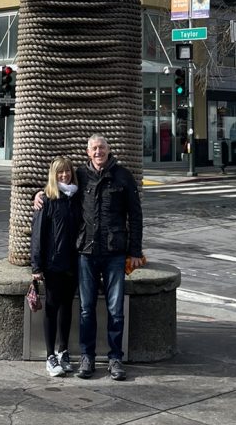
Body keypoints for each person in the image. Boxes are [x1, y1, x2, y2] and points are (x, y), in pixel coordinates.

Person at [35, 134, 145, 382]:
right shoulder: (81, 177)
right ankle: (87, 357)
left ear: (108, 150)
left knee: (115, 310)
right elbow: (58, 189)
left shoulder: (123, 176)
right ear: (88, 152)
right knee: (86, 310)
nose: (98, 152)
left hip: (114, 253)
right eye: (94, 148)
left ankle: (115, 358)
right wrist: (38, 195)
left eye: (102, 148)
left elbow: (135, 215)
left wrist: (135, 251)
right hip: (85, 252)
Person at [31, 156, 80, 377]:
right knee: (51, 307)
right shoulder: (47, 199)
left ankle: (64, 351)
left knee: (67, 307)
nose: (64, 175)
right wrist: (36, 266)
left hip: (73, 262)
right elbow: (38, 235)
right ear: (53, 174)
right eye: (60, 172)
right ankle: (50, 355)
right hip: (52, 263)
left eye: (67, 171)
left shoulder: (76, 197)